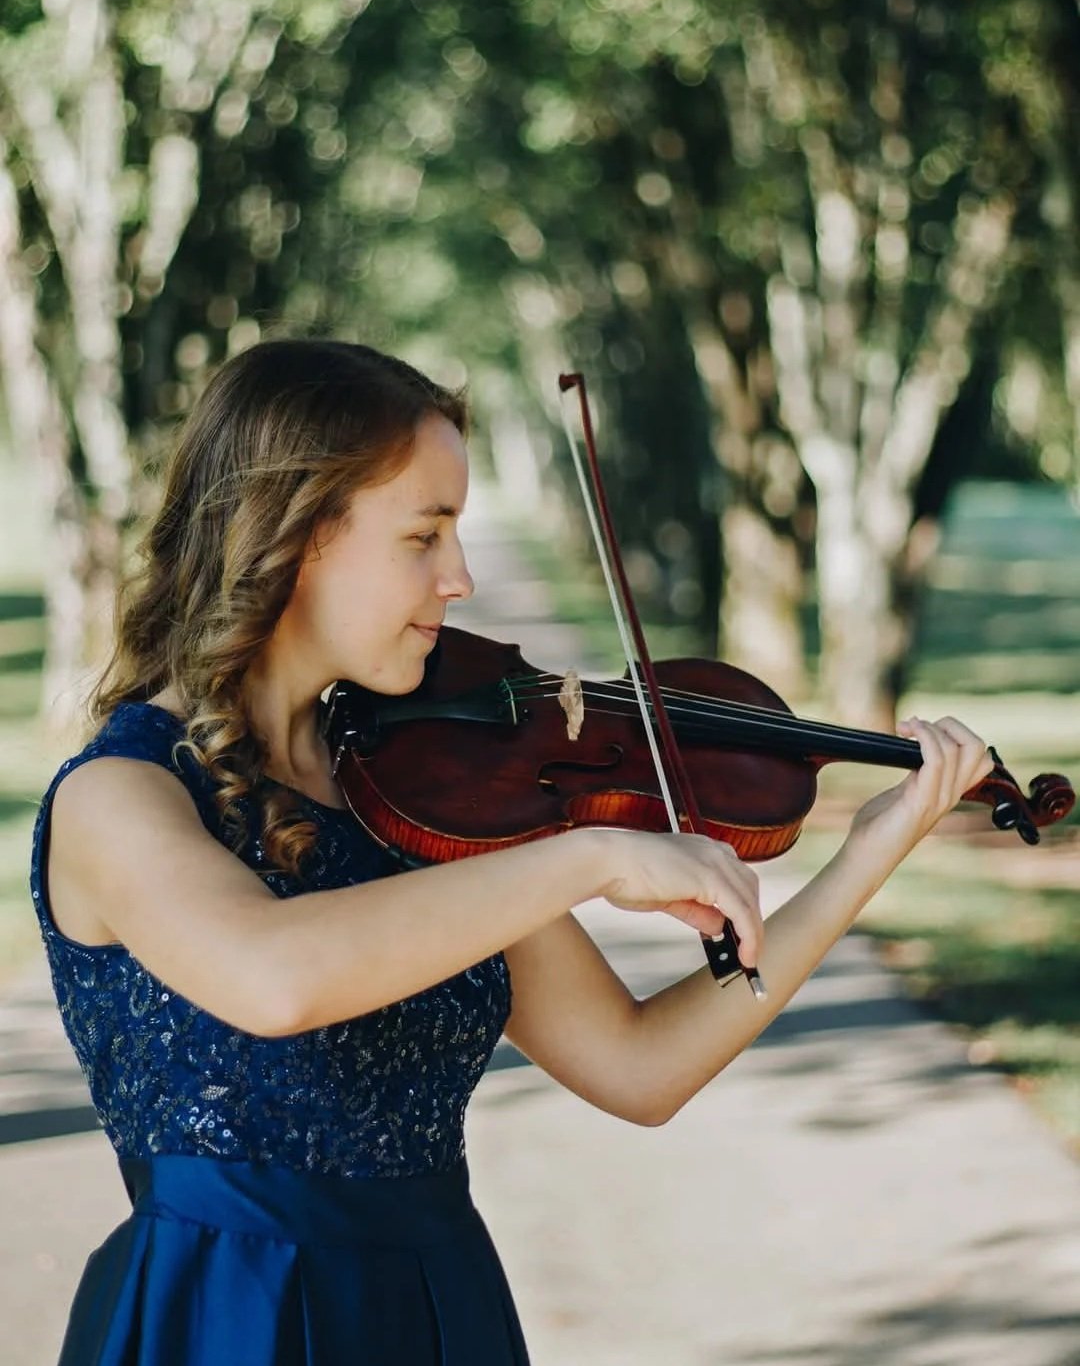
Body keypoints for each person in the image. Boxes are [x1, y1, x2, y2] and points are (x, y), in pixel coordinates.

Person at [30, 338, 992, 1366]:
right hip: (230, 1313)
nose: (460, 576)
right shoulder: (121, 795)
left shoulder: (402, 790)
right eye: (425, 533)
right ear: (295, 535)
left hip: (441, 1304)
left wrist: (860, 859)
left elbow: (638, 1066)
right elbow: (274, 975)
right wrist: (589, 854)